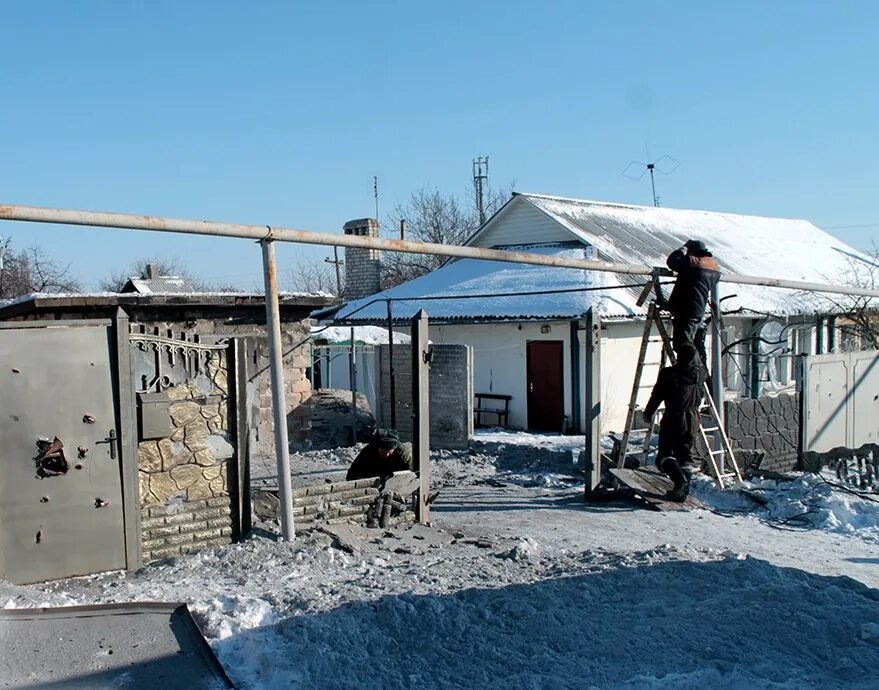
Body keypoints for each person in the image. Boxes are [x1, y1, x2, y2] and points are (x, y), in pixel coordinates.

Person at [642, 343, 708, 501]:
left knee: (664, 455)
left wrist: (648, 413)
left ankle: (679, 481)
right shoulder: (702, 373)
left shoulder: (668, 374)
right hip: (694, 418)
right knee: (685, 455)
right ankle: (682, 494)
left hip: (674, 417)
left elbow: (657, 395)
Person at [658, 239, 721, 363]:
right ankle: (696, 370)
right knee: (690, 345)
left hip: (685, 310)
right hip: (698, 311)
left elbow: (672, 262)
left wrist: (683, 248)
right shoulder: (715, 268)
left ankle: (691, 374)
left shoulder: (692, 262)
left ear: (692, 252)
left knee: (683, 346)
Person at [346, 428, 413, 481]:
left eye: (389, 451)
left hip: (395, 482)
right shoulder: (368, 451)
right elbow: (352, 473)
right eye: (383, 451)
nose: (387, 454)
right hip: (373, 480)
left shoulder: (403, 454)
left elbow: (412, 473)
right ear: (378, 447)